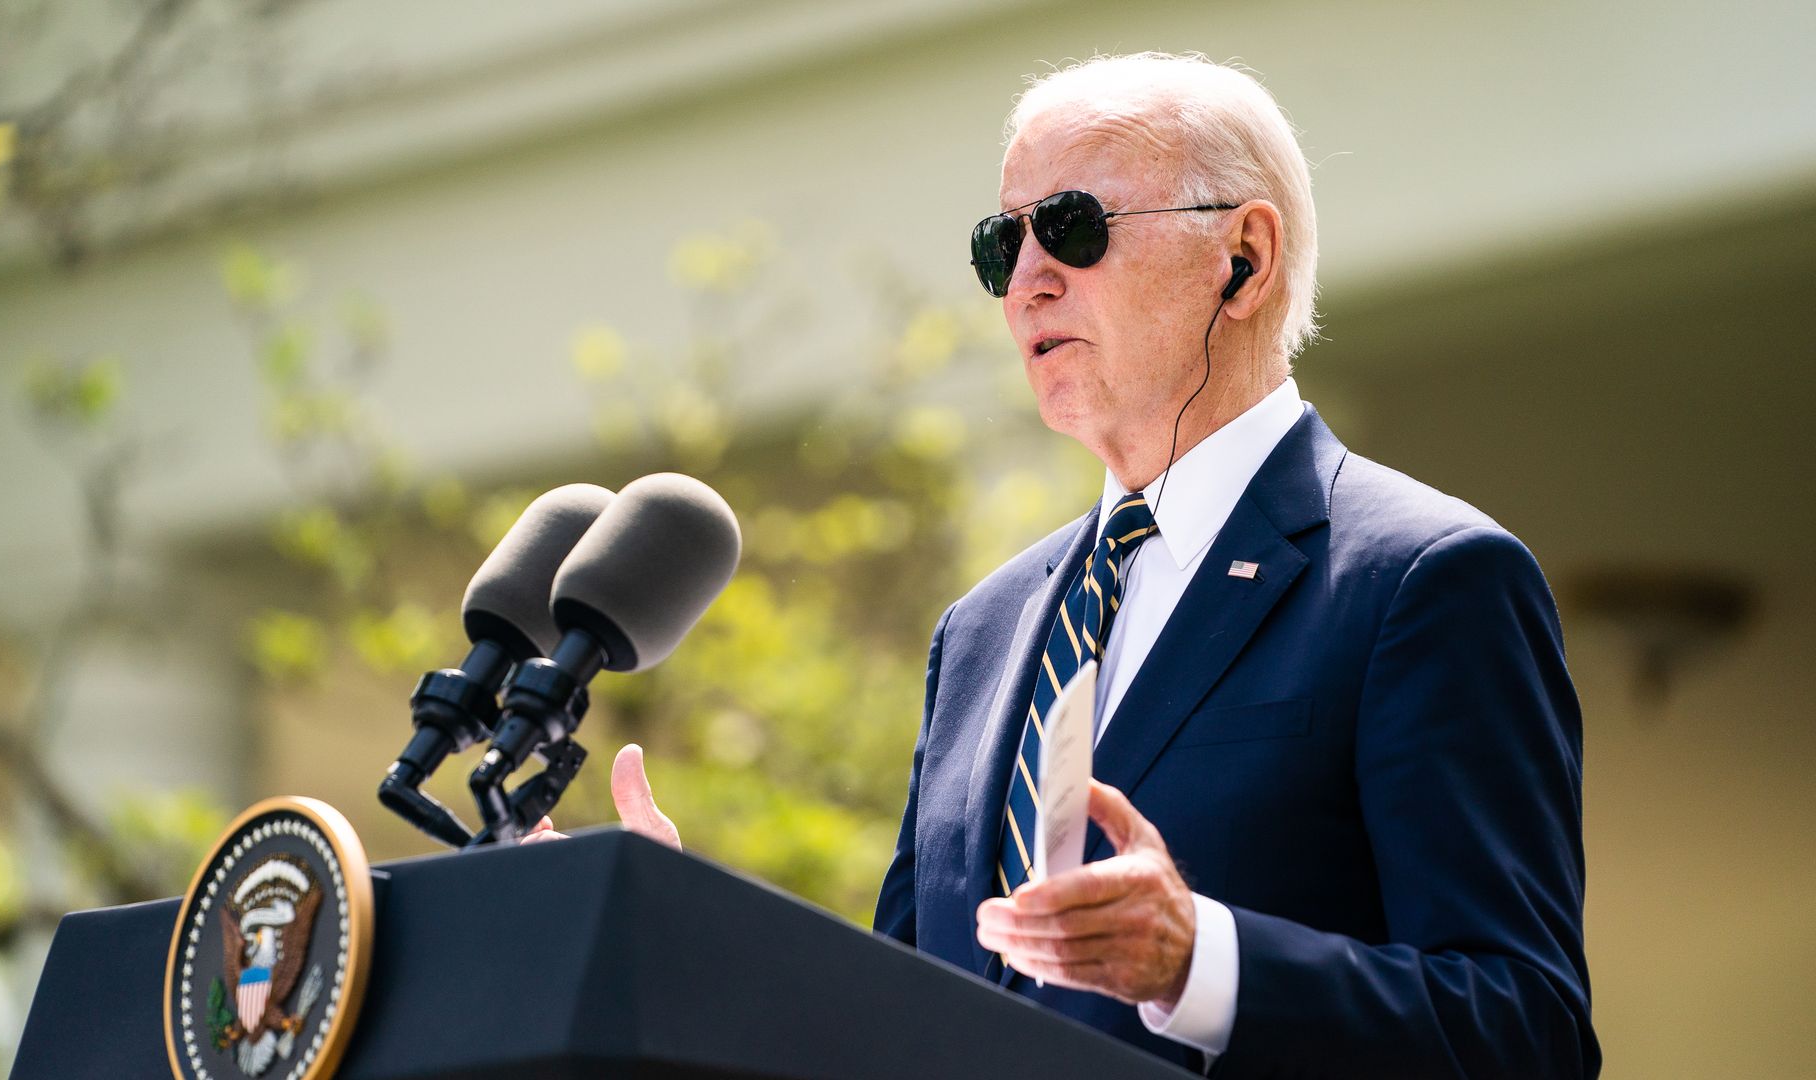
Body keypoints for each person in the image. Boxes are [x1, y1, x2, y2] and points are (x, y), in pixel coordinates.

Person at [549, 51, 1598, 1080]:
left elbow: (1525, 1030)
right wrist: (681, 943)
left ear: (1245, 258)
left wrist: (1203, 963)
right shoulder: (983, 629)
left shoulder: (1423, 579)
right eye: (1000, 246)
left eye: (1072, 228)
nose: (1028, 284)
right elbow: (904, 1024)